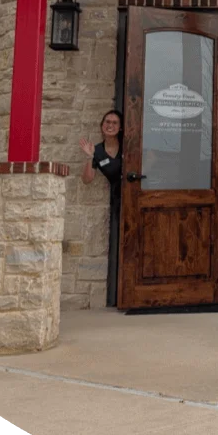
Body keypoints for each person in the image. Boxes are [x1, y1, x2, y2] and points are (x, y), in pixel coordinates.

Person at [80, 110, 124, 306]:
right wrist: (89, 157)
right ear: (101, 126)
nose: (110, 125)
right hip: (118, 200)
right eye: (107, 122)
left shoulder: (129, 144)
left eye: (115, 123)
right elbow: (87, 179)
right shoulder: (97, 151)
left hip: (134, 195)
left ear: (120, 128)